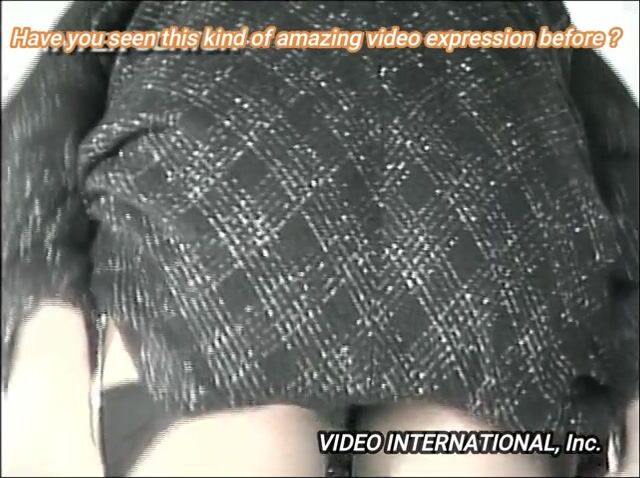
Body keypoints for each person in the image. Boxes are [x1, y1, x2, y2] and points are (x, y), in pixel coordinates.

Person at [2, 1, 638, 476]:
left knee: (245, 441)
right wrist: (46, 360)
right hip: (470, 289)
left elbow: (42, 126)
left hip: (233, 271)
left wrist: (45, 360)